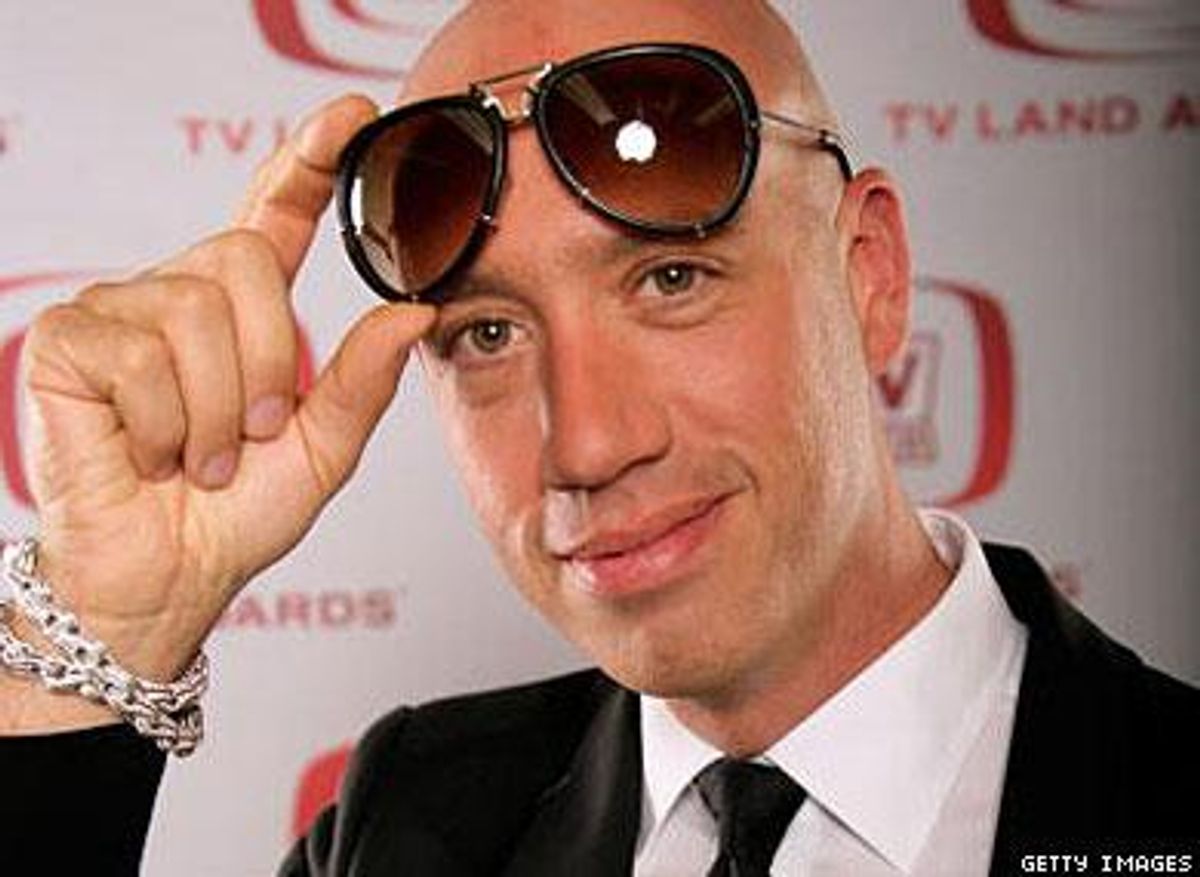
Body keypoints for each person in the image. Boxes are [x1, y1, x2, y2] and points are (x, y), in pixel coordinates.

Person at [1, 1, 1196, 874]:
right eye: (486, 334)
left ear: (868, 274)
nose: (586, 443)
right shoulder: (411, 822)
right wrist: (106, 628)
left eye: (672, 279)